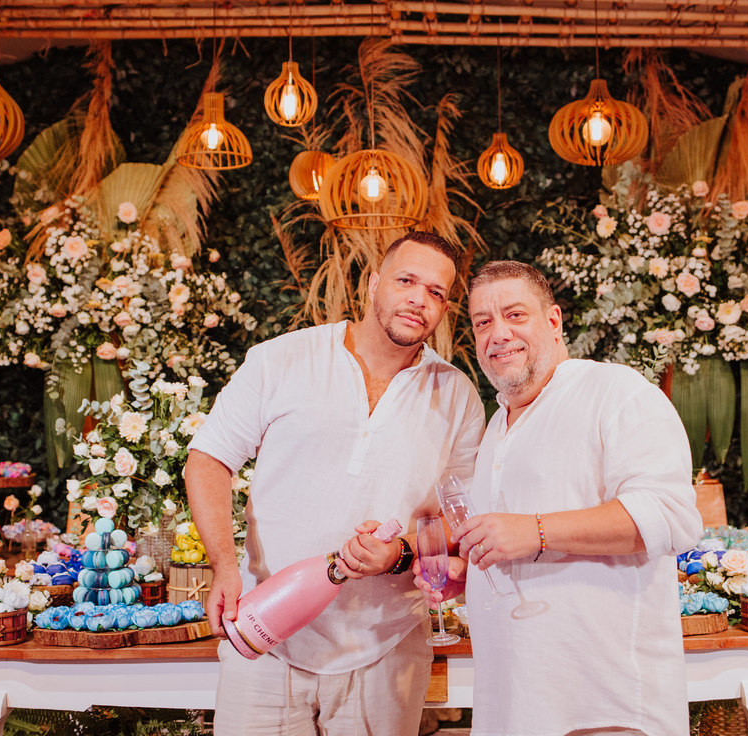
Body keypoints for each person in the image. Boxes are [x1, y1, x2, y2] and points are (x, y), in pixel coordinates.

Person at [184, 231, 486, 736]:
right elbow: (208, 459)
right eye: (406, 280)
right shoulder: (281, 359)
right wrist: (222, 567)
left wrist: (402, 552)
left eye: (436, 292)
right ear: (372, 284)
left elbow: (461, 517)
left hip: (386, 648)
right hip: (265, 635)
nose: (418, 299)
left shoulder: (457, 396)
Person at [418, 259, 702, 736]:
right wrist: (467, 579)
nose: (498, 333)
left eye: (514, 314)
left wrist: (535, 530)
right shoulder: (496, 428)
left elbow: (670, 516)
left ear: (553, 322)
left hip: (603, 705)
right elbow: (524, 552)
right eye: (482, 322)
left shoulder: (616, 392)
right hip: (517, 703)